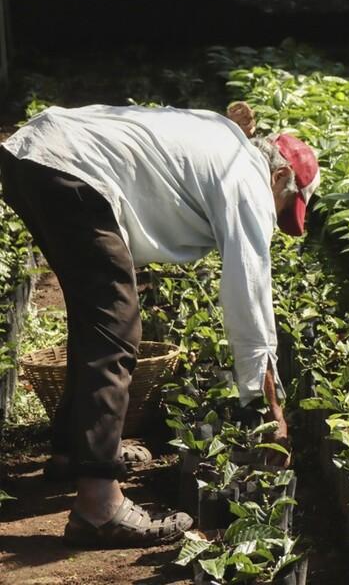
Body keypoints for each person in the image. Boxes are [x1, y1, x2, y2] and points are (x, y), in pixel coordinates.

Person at [0, 102, 320, 548]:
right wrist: (268, 409)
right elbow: (249, 297)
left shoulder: (223, 140)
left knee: (96, 315)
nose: (276, 216)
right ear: (282, 177)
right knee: (116, 329)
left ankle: (77, 449)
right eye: (285, 206)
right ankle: (99, 504)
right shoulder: (248, 178)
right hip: (72, 167)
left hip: (32, 154)